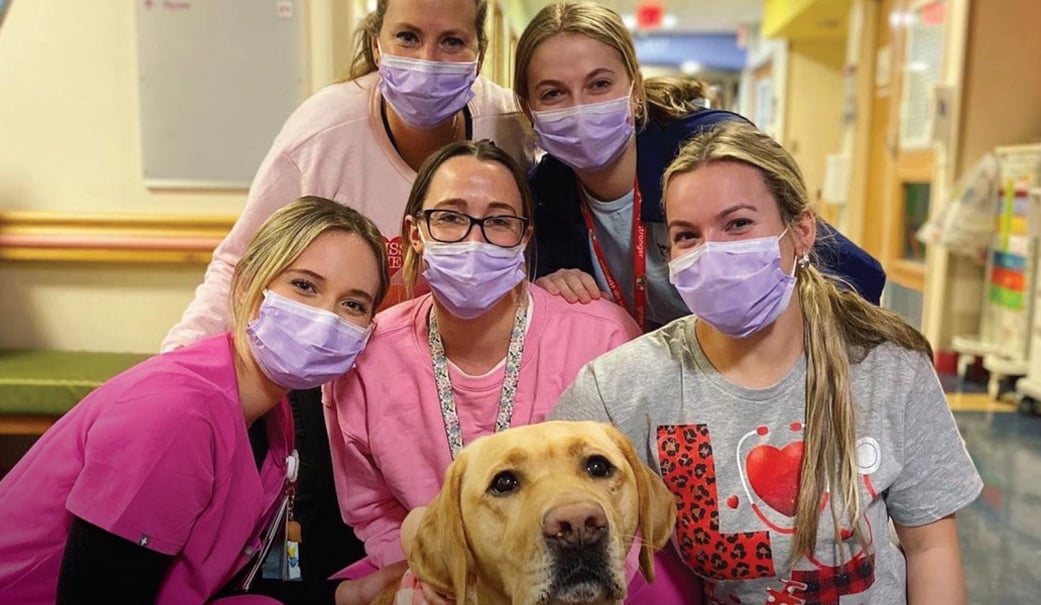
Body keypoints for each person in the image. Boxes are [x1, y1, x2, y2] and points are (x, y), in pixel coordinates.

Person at [160, 2, 531, 600]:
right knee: (330, 543)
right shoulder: (324, 129)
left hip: (452, 371)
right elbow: (243, 259)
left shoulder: (506, 122)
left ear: (481, 51)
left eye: (452, 41)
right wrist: (177, 368)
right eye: (407, 37)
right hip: (336, 374)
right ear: (376, 41)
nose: (428, 60)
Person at [549, 120, 982, 604]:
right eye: (688, 235)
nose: (712, 251)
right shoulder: (625, 385)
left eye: (737, 224)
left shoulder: (887, 365)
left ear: (800, 231)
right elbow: (538, 504)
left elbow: (930, 547)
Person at [0, 198, 390, 605]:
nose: (325, 318)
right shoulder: (177, 415)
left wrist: (358, 592)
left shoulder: (271, 416)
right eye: (304, 286)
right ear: (245, 285)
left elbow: (243, 578)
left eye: (353, 304)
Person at [324, 140, 700, 604]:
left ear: (524, 238)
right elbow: (372, 509)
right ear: (415, 233)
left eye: (500, 221)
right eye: (449, 217)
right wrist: (434, 574)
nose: (473, 239)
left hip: (604, 563)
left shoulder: (601, 336)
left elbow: (638, 488)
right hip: (432, 563)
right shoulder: (366, 355)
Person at [514, 1, 885, 331]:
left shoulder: (709, 150)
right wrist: (551, 282)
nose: (580, 108)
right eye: (553, 93)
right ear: (528, 109)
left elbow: (855, 279)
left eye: (599, 84)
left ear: (635, 90)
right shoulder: (545, 194)